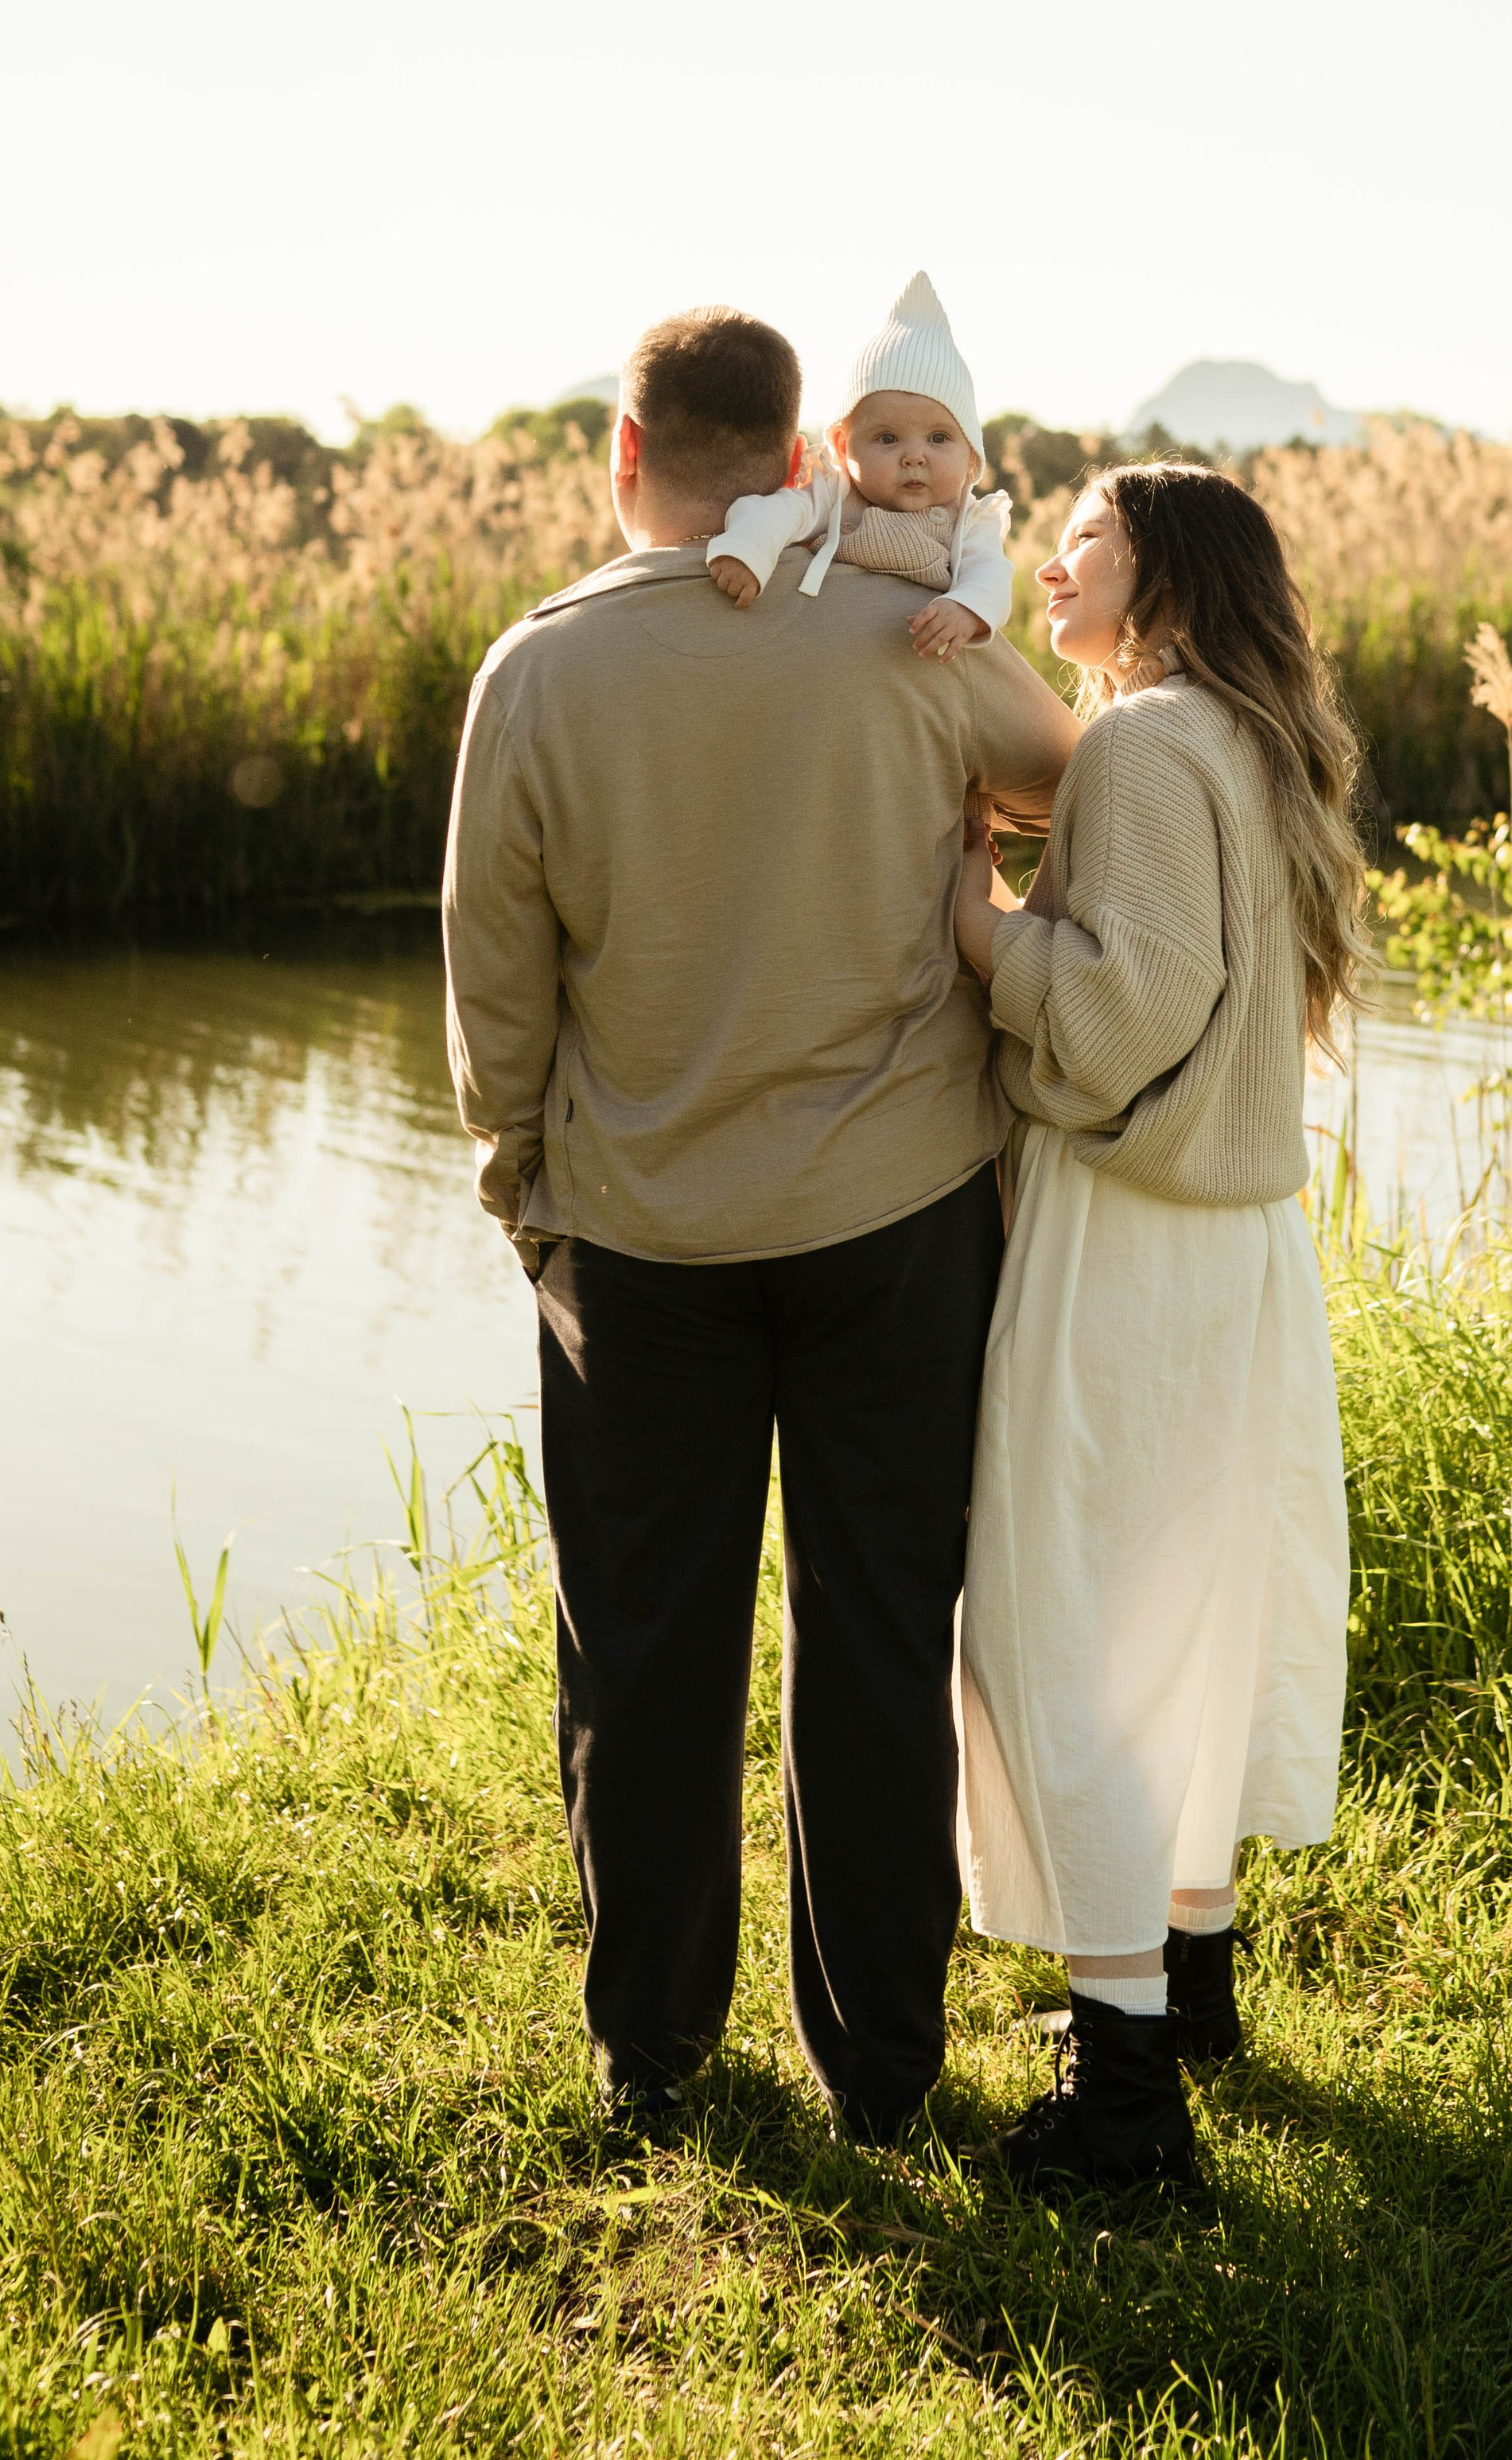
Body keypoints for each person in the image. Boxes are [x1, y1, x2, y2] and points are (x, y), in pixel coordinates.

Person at [442, 302, 1077, 2145]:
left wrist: (525, 1199)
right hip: (895, 1221)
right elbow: (1070, 779)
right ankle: (877, 2066)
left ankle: (652, 2052)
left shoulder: (537, 669)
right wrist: (966, 827)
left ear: (622, 458)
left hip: (634, 1241)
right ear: (802, 455)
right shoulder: (910, 635)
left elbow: (496, 991)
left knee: (643, 1645)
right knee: (875, 1632)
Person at [952, 461, 1370, 2189]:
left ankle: (1121, 2101)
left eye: (1085, 542)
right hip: (1242, 1257)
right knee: (1191, 1609)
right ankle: (1184, 1968)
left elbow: (1123, 1011)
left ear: (1167, 575)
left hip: (1123, 1248)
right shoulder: (1249, 742)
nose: (1051, 562)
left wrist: (979, 935)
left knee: (1071, 1627)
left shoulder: (1135, 743)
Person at [705, 273, 1013, 663]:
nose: (914, 457)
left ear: (971, 451)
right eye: (888, 438)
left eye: (938, 438)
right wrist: (749, 549)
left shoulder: (970, 520)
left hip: (912, 660)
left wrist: (966, 609)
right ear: (841, 445)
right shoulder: (835, 493)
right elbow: (778, 510)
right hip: (823, 651)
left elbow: (991, 575)